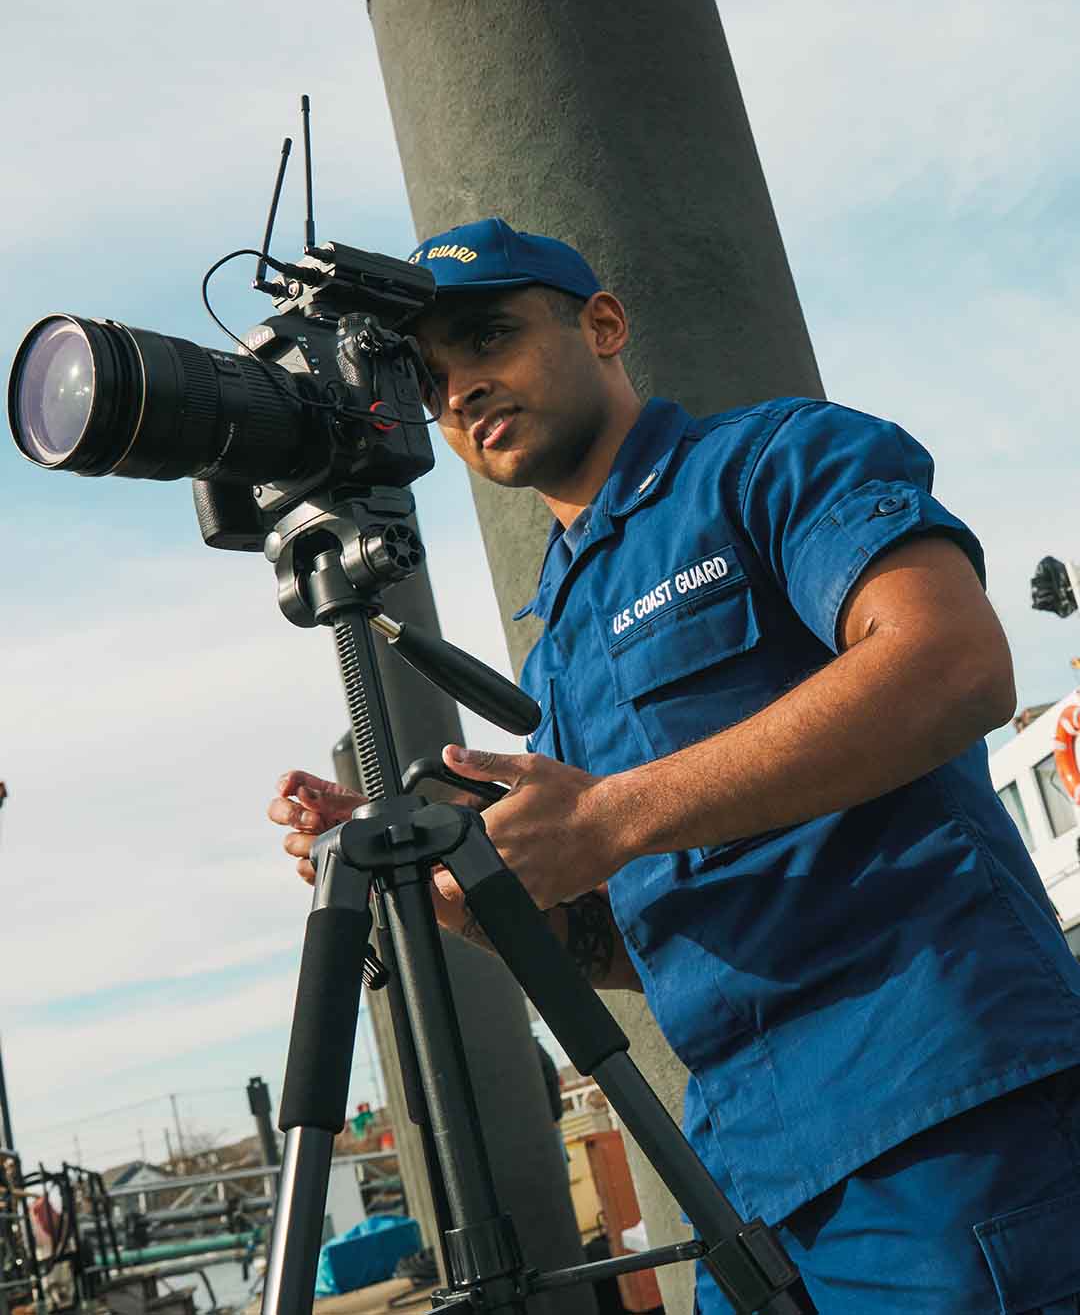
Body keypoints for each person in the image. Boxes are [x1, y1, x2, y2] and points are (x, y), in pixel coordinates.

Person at [269, 219, 1080, 1312]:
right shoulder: (554, 643)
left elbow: (953, 663)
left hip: (948, 1124)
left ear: (602, 323)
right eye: (432, 374)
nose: (461, 388)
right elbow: (633, 940)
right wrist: (473, 885)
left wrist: (611, 815)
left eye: (490, 336)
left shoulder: (774, 460)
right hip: (746, 1190)